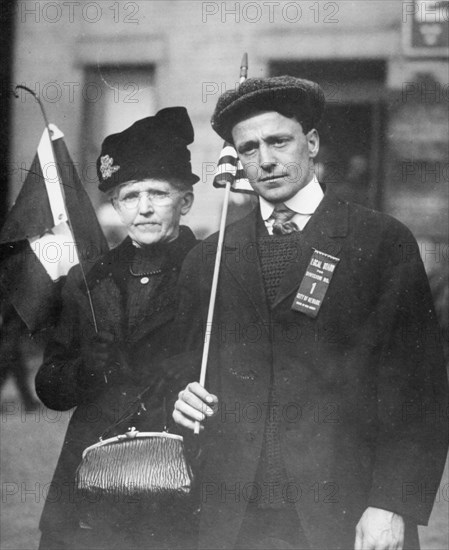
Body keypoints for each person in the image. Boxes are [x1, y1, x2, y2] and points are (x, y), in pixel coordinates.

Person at [171, 77, 449, 550]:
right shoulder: (210, 259)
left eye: (279, 141)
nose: (266, 159)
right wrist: (181, 400)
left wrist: (391, 503)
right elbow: (181, 375)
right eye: (249, 148)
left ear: (312, 143)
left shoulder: (380, 242)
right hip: (235, 518)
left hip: (348, 514)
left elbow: (419, 390)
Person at [36, 107, 200, 550]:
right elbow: (50, 388)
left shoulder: (214, 272)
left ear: (184, 201)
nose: (144, 208)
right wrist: (86, 368)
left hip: (180, 484)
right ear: (114, 205)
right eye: (129, 195)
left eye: (158, 194)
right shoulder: (89, 280)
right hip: (90, 486)